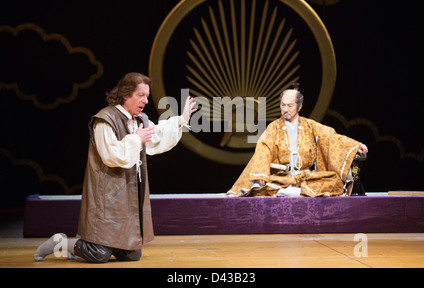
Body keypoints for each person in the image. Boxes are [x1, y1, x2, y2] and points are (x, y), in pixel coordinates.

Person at [34, 72, 196, 263]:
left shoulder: (139, 119)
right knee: (99, 255)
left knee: (132, 254)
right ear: (126, 94)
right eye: (141, 95)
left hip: (129, 189)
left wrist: (182, 118)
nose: (145, 100)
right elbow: (111, 155)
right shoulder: (105, 120)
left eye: (147, 96)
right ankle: (59, 243)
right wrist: (137, 138)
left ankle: (89, 247)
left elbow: (158, 136)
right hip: (107, 190)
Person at [227, 83, 368, 197]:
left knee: (334, 182)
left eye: (290, 105)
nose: (285, 109)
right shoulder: (274, 127)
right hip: (283, 178)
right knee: (261, 188)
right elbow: (264, 148)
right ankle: (296, 193)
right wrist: (261, 174)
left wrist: (356, 145)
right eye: (283, 105)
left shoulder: (310, 125)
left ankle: (295, 192)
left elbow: (331, 137)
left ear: (299, 107)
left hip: (307, 177)